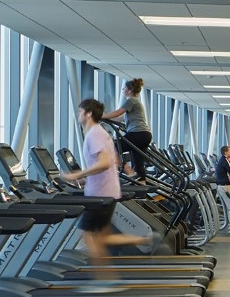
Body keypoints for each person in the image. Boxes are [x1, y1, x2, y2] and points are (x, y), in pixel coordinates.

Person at [62, 98, 162, 269]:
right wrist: (89, 177)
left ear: (88, 113)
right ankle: (146, 240)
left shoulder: (94, 134)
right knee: (102, 237)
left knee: (91, 238)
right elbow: (114, 160)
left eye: (80, 111)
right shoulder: (103, 134)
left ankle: (105, 280)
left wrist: (78, 174)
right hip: (106, 190)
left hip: (99, 195)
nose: (78, 115)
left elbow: (105, 163)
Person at [104, 78, 153, 185]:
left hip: (137, 133)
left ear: (129, 90)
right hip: (145, 134)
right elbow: (120, 118)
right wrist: (106, 118)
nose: (123, 89)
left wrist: (101, 116)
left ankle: (129, 171)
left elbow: (117, 113)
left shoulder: (131, 101)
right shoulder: (136, 102)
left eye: (124, 88)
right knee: (138, 162)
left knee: (112, 148)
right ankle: (141, 184)